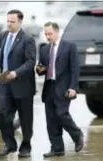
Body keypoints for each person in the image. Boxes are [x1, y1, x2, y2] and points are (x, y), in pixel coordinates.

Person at [36, 22, 84, 158]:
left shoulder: (69, 47)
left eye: (50, 33)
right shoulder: (44, 49)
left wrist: (73, 87)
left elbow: (75, 69)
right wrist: (39, 69)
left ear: (57, 32)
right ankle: (57, 148)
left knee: (62, 114)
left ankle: (77, 135)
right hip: (49, 87)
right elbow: (41, 69)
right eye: (45, 34)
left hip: (64, 87)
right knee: (51, 120)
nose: (47, 36)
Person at [0, 9, 36, 158]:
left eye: (12, 22)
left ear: (20, 22)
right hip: (5, 83)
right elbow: (2, 58)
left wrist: (16, 73)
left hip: (22, 84)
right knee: (2, 114)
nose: (9, 24)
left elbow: (31, 61)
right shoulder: (3, 36)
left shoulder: (27, 39)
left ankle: (26, 146)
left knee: (25, 118)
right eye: (7, 21)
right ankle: (10, 144)